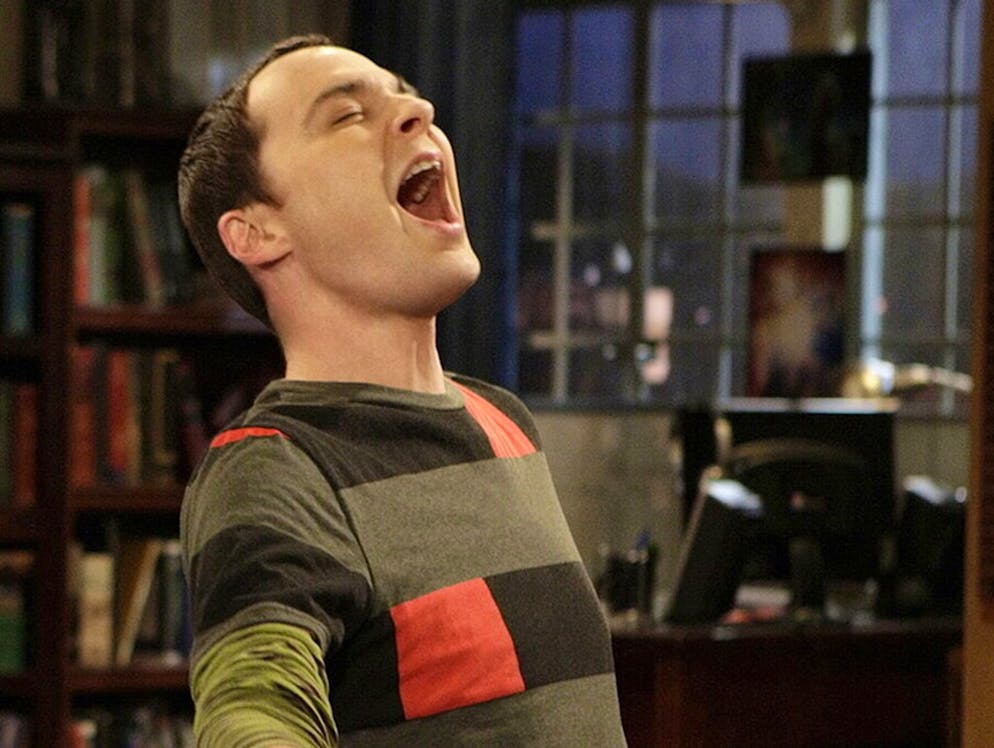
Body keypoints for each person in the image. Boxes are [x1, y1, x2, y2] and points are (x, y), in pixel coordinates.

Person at [177, 34, 627, 747]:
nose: (420, 112)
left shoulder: (502, 422)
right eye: (347, 115)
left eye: (406, 95)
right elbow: (251, 706)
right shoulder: (274, 468)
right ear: (257, 232)